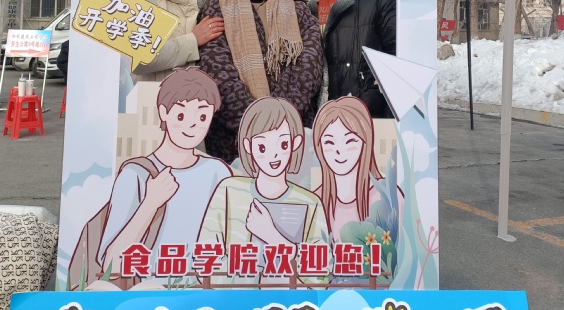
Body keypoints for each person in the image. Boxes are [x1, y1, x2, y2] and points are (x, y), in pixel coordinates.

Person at [67, 67, 231, 288]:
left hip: (204, 292)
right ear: (163, 112)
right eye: (181, 115)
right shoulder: (135, 174)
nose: (192, 125)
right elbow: (111, 264)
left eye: (202, 116)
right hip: (148, 293)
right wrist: (150, 203)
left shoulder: (218, 173)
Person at [198, 0, 323, 163]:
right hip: (234, 140)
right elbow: (217, 70)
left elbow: (309, 65)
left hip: (289, 137)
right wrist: (254, 125)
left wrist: (280, 121)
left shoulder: (297, 6)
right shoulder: (217, 5)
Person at [198, 97, 328, 286]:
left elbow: (320, 278)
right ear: (248, 146)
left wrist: (273, 236)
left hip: (292, 304)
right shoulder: (228, 191)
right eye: (262, 146)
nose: (273, 154)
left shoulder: (310, 203)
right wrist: (256, 281)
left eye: (283, 145)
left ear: (296, 143)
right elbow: (205, 263)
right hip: (234, 302)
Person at [312, 96, 385, 240]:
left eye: (350, 140)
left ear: (365, 142)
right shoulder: (315, 200)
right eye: (329, 142)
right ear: (319, 147)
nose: (339, 151)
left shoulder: (386, 195)